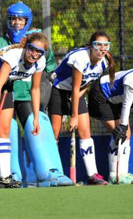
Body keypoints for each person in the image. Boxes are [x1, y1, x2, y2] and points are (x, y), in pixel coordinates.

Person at [0, 30, 48, 188]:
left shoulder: (40, 63)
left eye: (39, 52)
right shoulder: (13, 56)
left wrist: (35, 118)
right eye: (32, 49)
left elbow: (35, 89)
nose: (34, 54)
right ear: (26, 46)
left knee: (4, 130)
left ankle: (4, 177)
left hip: (6, 84)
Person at [48, 31, 115, 185]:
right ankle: (53, 173)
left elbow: (86, 84)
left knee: (85, 132)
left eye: (105, 45)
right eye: (98, 45)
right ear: (91, 46)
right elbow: (75, 85)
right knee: (55, 133)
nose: (102, 49)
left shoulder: (103, 63)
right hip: (58, 90)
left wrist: (77, 98)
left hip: (77, 93)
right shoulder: (80, 58)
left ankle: (93, 175)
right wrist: (74, 116)